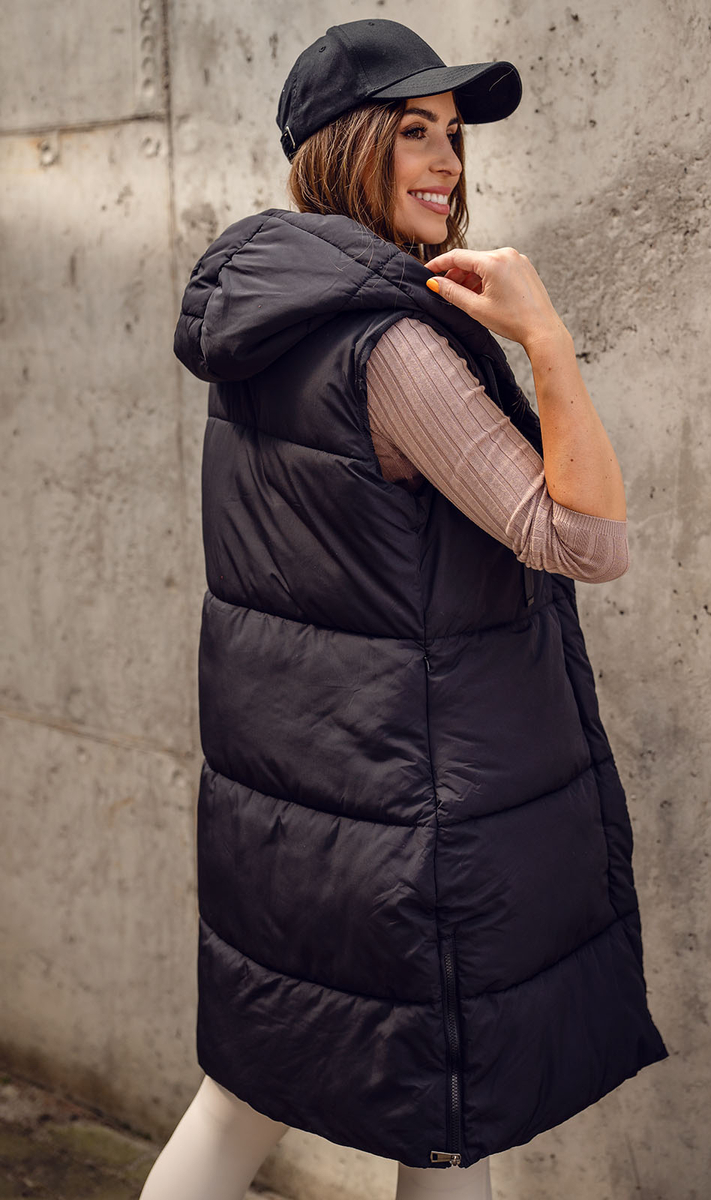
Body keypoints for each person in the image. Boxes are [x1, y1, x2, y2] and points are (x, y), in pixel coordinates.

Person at [143, 18, 666, 1200]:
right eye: (414, 132)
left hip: (297, 813)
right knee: (440, 1117)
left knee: (248, 1102)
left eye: (455, 137)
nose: (447, 163)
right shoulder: (392, 347)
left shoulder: (270, 321)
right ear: (342, 146)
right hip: (412, 821)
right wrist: (546, 337)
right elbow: (585, 542)